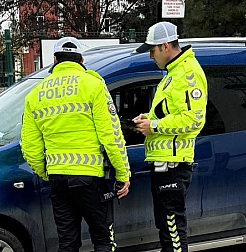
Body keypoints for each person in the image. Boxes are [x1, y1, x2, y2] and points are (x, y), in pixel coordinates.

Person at [21, 36, 131, 252]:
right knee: (102, 240)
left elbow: (30, 147)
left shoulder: (35, 94)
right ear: (81, 59)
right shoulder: (94, 85)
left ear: (55, 59)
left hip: (58, 179)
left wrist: (47, 172)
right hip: (90, 179)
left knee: (68, 243)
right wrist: (123, 173)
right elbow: (112, 136)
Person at [132, 22, 207, 252]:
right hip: (164, 164)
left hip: (173, 166)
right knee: (166, 228)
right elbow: (170, 113)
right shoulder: (172, 73)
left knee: (173, 232)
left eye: (152, 51)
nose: (151, 56)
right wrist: (148, 118)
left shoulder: (188, 73)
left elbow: (194, 119)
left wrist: (153, 126)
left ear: (165, 46)